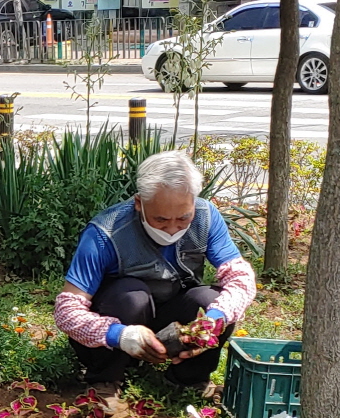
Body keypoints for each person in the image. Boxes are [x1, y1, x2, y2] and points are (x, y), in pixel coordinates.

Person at [53, 150, 257, 389]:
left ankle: (187, 379)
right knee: (131, 296)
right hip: (119, 320)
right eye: (161, 220)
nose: (172, 228)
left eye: (183, 218)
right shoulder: (104, 232)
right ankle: (104, 379)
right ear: (139, 203)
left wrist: (214, 320)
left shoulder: (207, 218)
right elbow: (67, 311)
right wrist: (117, 334)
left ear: (194, 201)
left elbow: (240, 278)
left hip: (170, 315)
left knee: (211, 300)